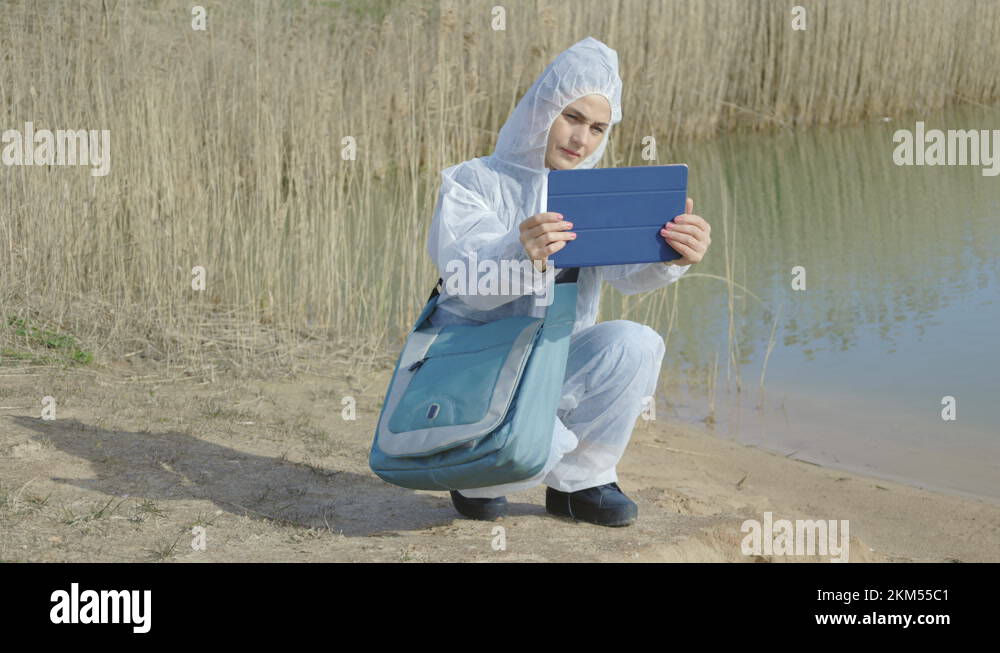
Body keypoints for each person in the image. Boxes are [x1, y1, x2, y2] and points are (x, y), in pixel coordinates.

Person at [425, 37, 712, 526]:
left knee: (636, 343)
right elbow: (466, 279)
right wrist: (522, 253)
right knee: (517, 464)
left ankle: (581, 485)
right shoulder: (475, 182)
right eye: (572, 117)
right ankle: (478, 469)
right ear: (542, 109)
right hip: (480, 375)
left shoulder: (592, 195)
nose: (582, 139)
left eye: (598, 128)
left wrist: (675, 254)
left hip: (553, 367)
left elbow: (631, 275)